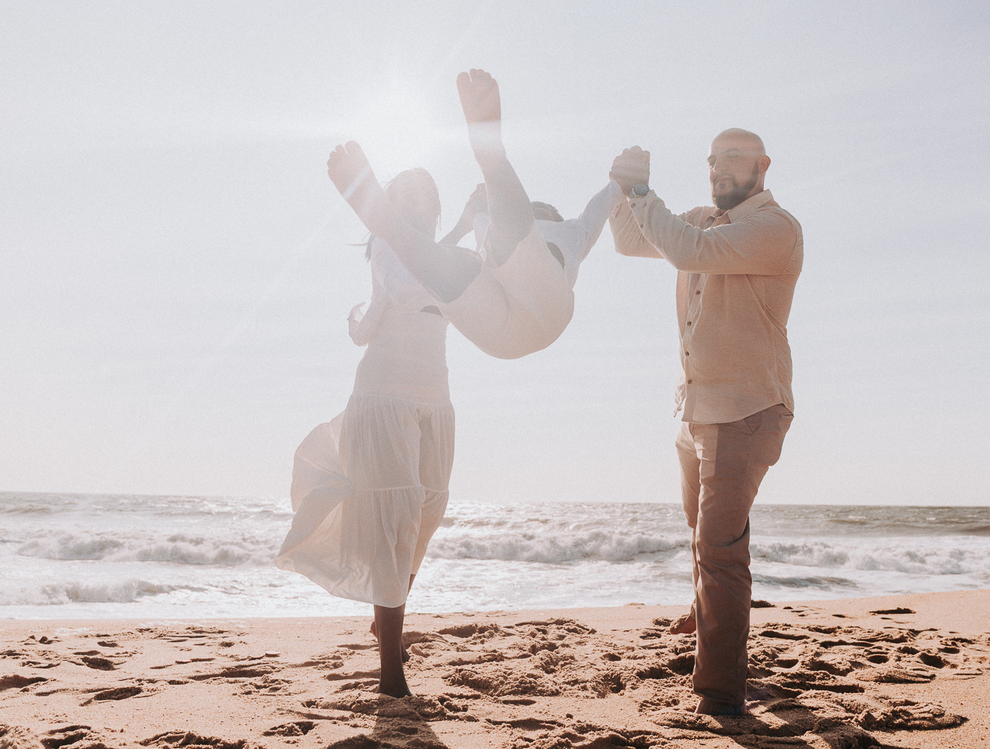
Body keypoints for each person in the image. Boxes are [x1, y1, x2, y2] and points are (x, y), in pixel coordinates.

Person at [607, 130, 803, 716]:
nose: (720, 169)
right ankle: (707, 622)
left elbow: (691, 251)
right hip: (695, 408)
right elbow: (626, 239)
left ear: (763, 166)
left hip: (746, 409)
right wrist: (625, 187)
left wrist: (645, 192)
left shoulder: (776, 229)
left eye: (734, 159)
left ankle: (720, 691)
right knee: (701, 535)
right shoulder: (698, 218)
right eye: (714, 161)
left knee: (718, 547)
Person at [275, 168, 463, 698]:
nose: (419, 203)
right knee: (392, 518)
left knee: (426, 511)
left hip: (435, 396)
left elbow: (398, 304)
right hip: (383, 395)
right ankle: (391, 675)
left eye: (428, 195)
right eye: (407, 196)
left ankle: (387, 618)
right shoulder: (387, 244)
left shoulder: (439, 255)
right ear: (389, 207)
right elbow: (402, 293)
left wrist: (465, 232)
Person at [325, 69, 620, 360]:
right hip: (500, 333)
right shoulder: (488, 226)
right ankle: (396, 220)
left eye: (539, 211)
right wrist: (473, 220)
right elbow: (445, 267)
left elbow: (598, 208)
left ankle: (492, 158)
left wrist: (620, 183)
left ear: (556, 219)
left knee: (509, 245)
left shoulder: (572, 231)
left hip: (548, 308)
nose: (534, 210)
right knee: (466, 264)